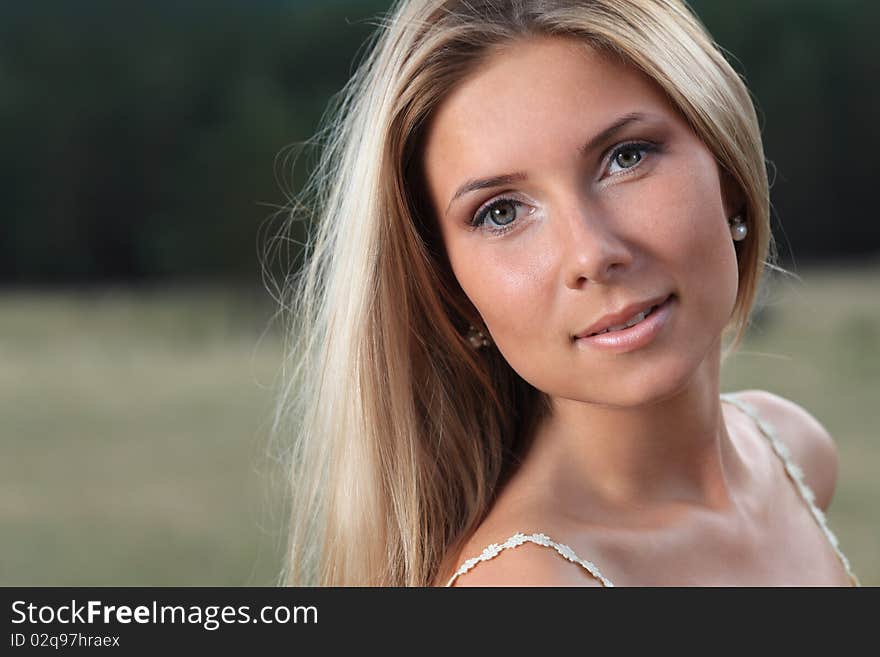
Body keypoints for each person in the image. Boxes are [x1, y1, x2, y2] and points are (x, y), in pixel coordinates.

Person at [269, 0, 859, 586]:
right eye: (501, 213)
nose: (592, 254)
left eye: (625, 158)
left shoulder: (792, 451)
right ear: (453, 293)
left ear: (726, 170)